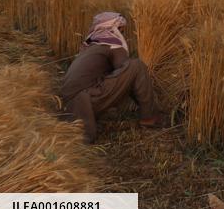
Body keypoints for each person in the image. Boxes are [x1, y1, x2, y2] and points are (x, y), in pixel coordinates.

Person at [60, 12, 163, 143]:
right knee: (137, 66)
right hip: (86, 99)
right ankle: (150, 118)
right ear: (114, 29)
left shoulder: (92, 43)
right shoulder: (112, 42)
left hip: (71, 104)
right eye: (121, 30)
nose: (123, 34)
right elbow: (127, 71)